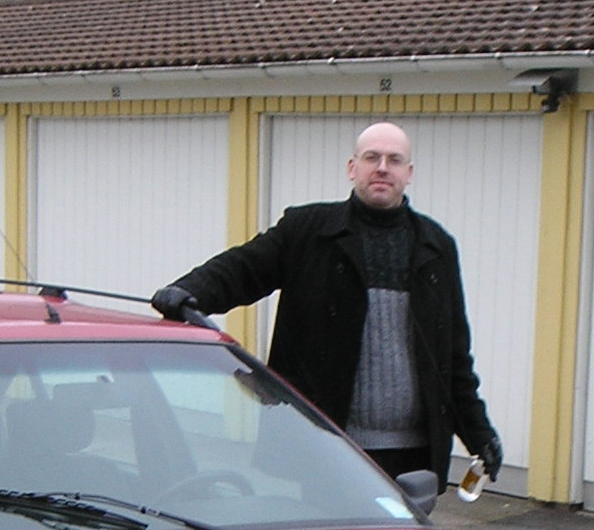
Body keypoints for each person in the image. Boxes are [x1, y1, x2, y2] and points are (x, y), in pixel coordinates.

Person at [151, 121, 502, 495]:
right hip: (326, 444)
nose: (382, 167)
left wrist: (478, 433)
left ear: (409, 173)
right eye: (372, 157)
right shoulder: (307, 231)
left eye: (394, 160)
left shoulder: (437, 247)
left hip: (412, 458)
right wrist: (187, 291)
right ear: (353, 167)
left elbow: (453, 358)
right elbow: (243, 268)